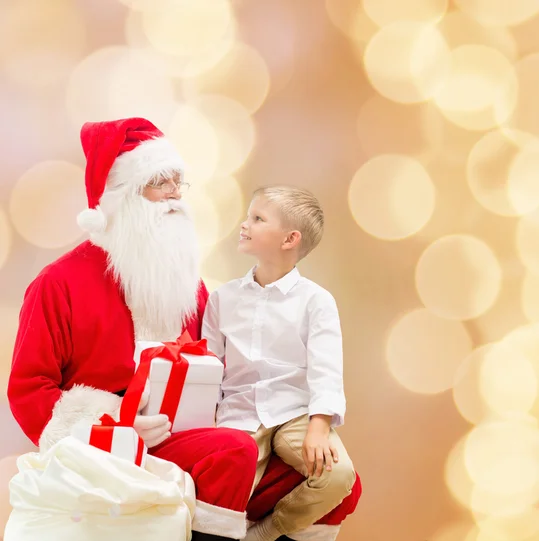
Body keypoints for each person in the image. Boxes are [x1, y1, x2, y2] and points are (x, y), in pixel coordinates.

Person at [6, 118, 361, 541]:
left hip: (191, 435)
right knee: (234, 451)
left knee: (337, 482)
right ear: (123, 196)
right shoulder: (59, 283)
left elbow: (217, 368)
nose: (175, 194)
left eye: (179, 181)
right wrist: (113, 423)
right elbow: (29, 390)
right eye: (160, 182)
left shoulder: (188, 287)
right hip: (112, 442)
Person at [202, 186, 357, 541]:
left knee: (338, 475)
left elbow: (326, 369)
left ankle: (265, 533)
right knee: (222, 488)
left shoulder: (316, 301)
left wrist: (319, 427)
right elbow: (209, 365)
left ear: (290, 239)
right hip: (238, 412)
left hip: (294, 412)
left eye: (257, 219)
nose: (244, 225)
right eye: (247, 216)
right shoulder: (223, 298)